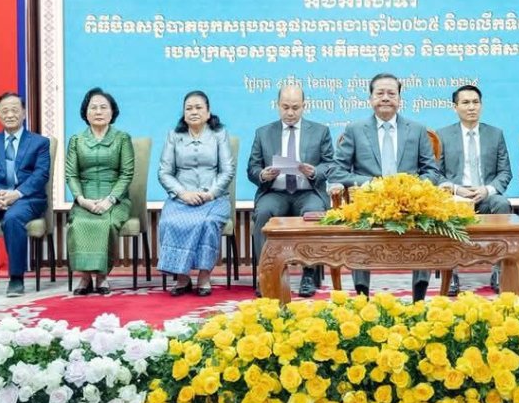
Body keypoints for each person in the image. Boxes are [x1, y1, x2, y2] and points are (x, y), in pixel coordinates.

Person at [330, 72, 444, 301]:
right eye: (379, 93)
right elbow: (336, 171)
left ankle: (419, 297)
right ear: (370, 98)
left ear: (399, 99)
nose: (385, 98)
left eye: (391, 93)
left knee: (426, 220)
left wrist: (412, 188)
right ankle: (362, 297)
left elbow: (431, 171)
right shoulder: (355, 129)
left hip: (409, 204)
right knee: (358, 224)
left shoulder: (417, 130)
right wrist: (370, 184)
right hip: (370, 202)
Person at [248, 85, 334, 297]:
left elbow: (330, 164)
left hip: (308, 192)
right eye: (285, 107)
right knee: (263, 213)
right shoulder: (263, 133)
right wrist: (263, 175)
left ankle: (309, 274)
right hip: (275, 192)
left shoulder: (320, 131)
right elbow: (252, 169)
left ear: (304, 106)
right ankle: (266, 274)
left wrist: (314, 172)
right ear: (277, 105)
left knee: (314, 213)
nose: (290, 112)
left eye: (295, 107)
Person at [0, 92, 51, 298]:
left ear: (24, 113)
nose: (10, 115)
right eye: (5, 111)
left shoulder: (40, 143)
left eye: (15, 110)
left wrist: (17, 194)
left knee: (13, 219)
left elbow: (41, 175)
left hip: (26, 197)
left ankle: (16, 278)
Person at [436, 84, 512, 295]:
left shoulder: (495, 134)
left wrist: (487, 190)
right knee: (445, 210)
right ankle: (451, 273)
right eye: (466, 103)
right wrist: (456, 190)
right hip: (456, 196)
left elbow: (505, 172)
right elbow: (435, 174)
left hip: (485, 195)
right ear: (455, 107)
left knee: (502, 204)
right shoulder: (442, 135)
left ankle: (498, 270)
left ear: (481, 105)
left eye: (475, 102)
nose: (471, 107)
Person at [157, 90, 234, 297]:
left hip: (214, 198)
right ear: (183, 114)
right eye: (189, 108)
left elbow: (227, 170)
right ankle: (182, 277)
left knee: (208, 223)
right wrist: (183, 194)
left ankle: (204, 276)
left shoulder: (219, 134)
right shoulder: (174, 136)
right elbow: (164, 172)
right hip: (182, 198)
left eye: (199, 107)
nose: (193, 112)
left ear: (208, 113)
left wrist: (210, 193)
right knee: (169, 222)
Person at [65, 87, 134, 296]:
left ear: (112, 112)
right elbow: (71, 174)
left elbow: (127, 174)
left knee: (107, 223)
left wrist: (109, 200)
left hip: (115, 199)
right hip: (84, 198)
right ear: (85, 113)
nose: (98, 112)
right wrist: (81, 200)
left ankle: (102, 276)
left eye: (103, 107)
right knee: (78, 223)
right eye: (93, 107)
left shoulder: (122, 139)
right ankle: (85, 277)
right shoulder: (76, 140)